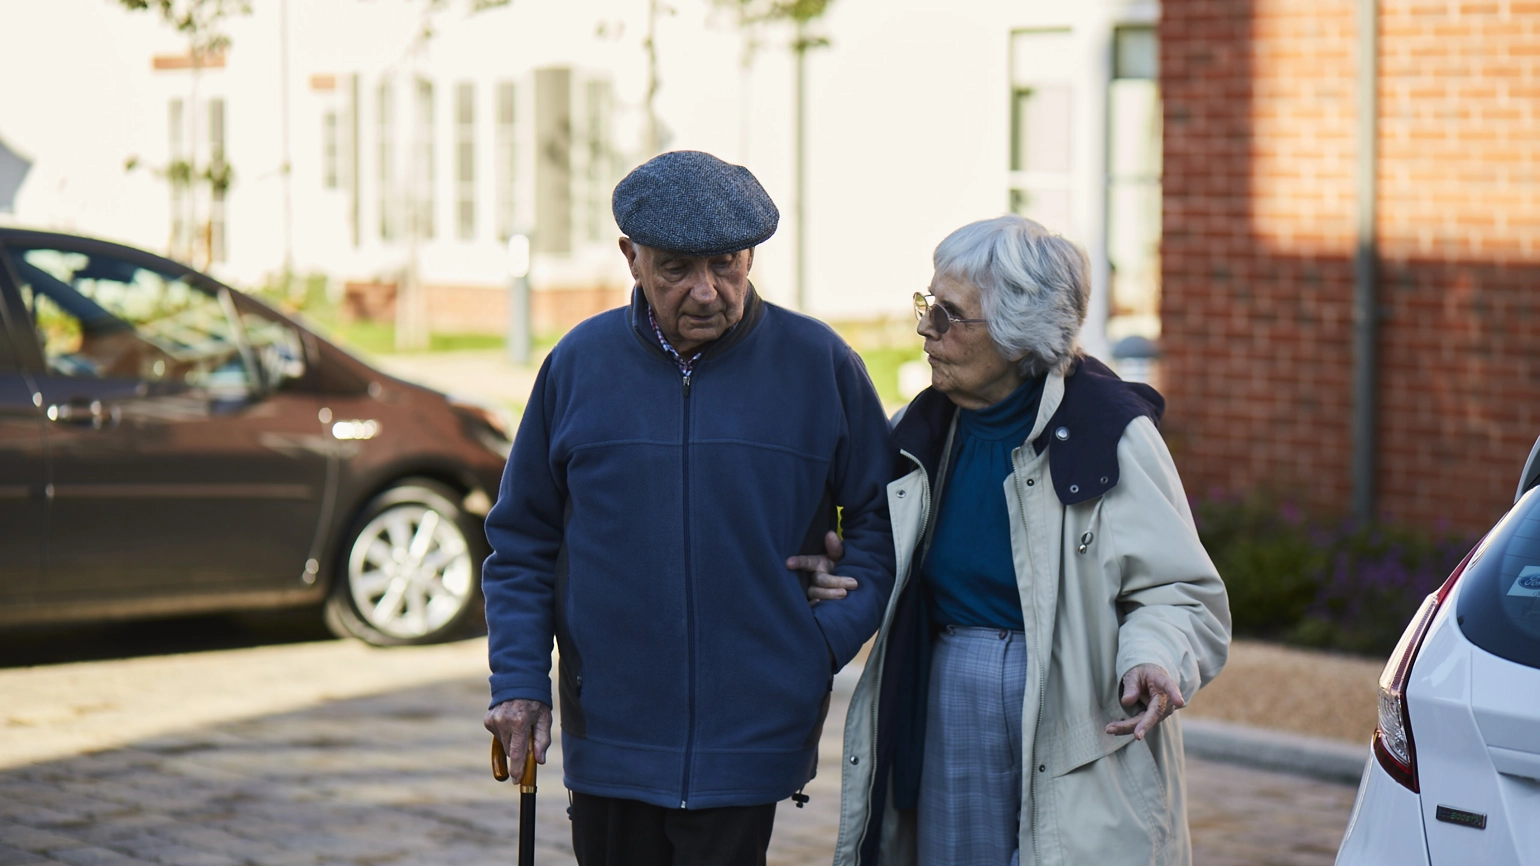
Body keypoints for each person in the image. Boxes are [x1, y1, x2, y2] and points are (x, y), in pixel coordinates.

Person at [481, 150, 896, 866]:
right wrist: (519, 682)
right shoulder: (578, 364)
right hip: (609, 730)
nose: (707, 292)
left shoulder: (819, 364)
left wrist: (818, 640)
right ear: (631, 257)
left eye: (728, 264)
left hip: (753, 733)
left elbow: (881, 524)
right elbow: (522, 542)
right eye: (676, 268)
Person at [810, 215, 1231, 866]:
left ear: (1017, 335)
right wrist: (842, 567)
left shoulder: (1108, 434)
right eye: (928, 305)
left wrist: (1153, 655)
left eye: (948, 316)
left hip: (1078, 700)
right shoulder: (919, 431)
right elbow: (875, 541)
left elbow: (1180, 591)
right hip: (951, 683)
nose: (925, 329)